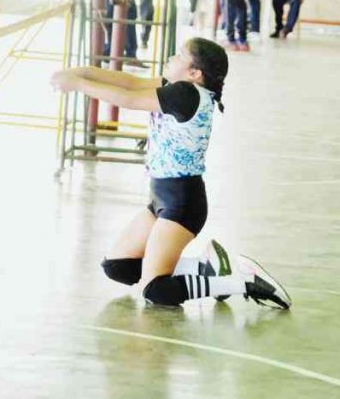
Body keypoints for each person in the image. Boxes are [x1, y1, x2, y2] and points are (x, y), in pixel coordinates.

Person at [49, 38, 291, 309]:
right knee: (119, 267)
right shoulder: (177, 89)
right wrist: (81, 72)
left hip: (181, 203)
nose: (170, 58)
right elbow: (129, 82)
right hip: (161, 199)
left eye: (178, 56)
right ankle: (206, 267)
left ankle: (237, 279)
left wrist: (78, 84)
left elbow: (127, 98)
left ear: (194, 73)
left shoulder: (187, 94)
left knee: (156, 291)